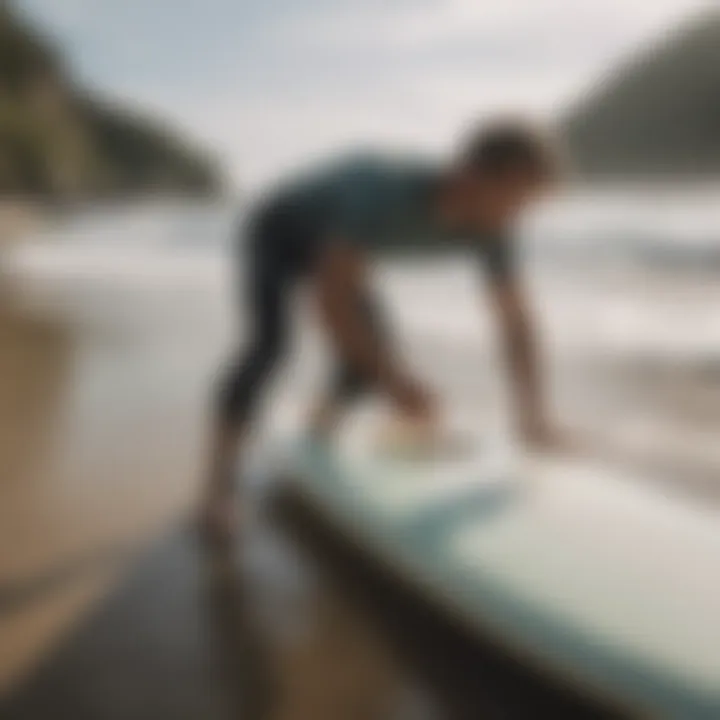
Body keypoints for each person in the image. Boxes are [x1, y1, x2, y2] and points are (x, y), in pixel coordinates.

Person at [201, 119, 565, 541]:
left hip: (344, 250)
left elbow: (516, 323)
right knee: (269, 346)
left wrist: (533, 416)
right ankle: (217, 487)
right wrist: (394, 383)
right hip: (278, 232)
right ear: (471, 177)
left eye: (528, 206)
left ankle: (315, 440)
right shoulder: (382, 189)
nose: (517, 218)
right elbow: (331, 300)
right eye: (515, 201)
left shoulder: (495, 229)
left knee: (368, 359)